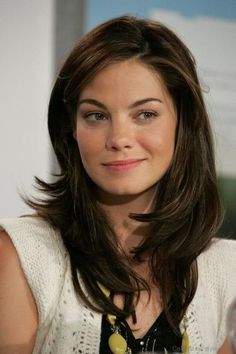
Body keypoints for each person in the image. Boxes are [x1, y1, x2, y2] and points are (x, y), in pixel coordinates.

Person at [0, 15, 235, 354]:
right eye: (96, 116)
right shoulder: (23, 256)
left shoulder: (227, 270)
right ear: (71, 128)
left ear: (183, 121)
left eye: (146, 114)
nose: (119, 138)